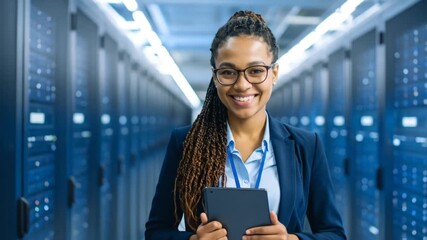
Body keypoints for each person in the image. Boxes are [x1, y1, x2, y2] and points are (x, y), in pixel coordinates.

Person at [145, 10, 346, 240]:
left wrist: (292, 239)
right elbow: (156, 232)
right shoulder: (185, 143)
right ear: (215, 77)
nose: (242, 85)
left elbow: (335, 234)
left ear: (274, 73)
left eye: (256, 71)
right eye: (228, 72)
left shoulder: (306, 146)